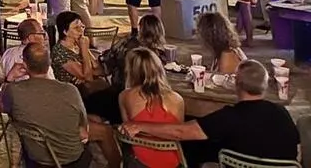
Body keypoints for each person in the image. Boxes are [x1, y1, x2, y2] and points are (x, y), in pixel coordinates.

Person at [122, 59, 299, 163]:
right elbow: (297, 151)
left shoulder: (229, 117)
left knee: (197, 149)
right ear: (265, 86)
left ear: (237, 85)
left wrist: (140, 126)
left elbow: (180, 132)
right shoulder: (282, 113)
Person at [0, 42, 92, 168]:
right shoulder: (71, 90)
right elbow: (84, 134)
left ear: (24, 64)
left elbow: (0, 107)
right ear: (49, 64)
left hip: (36, 159)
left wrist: (9, 79)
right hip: (72, 160)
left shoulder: (13, 91)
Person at [117, 47, 184, 168]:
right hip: (172, 163)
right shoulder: (178, 100)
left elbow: (128, 131)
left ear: (130, 71)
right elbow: (179, 136)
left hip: (140, 162)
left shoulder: (124, 96)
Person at [103, 14, 169, 92]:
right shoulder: (159, 54)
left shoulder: (126, 43)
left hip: (121, 88)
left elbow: (106, 63)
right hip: (149, 91)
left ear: (141, 29)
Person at [51, 12, 101, 91]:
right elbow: (88, 78)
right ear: (65, 32)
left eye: (82, 27)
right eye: (76, 28)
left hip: (87, 88)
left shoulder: (78, 44)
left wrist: (84, 76)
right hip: (71, 92)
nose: (81, 30)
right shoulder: (60, 52)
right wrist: (84, 50)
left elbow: (98, 70)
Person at [0, 18, 55, 83]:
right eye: (42, 32)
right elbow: (52, 84)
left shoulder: (8, 53)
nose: (45, 36)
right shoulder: (39, 57)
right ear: (31, 37)